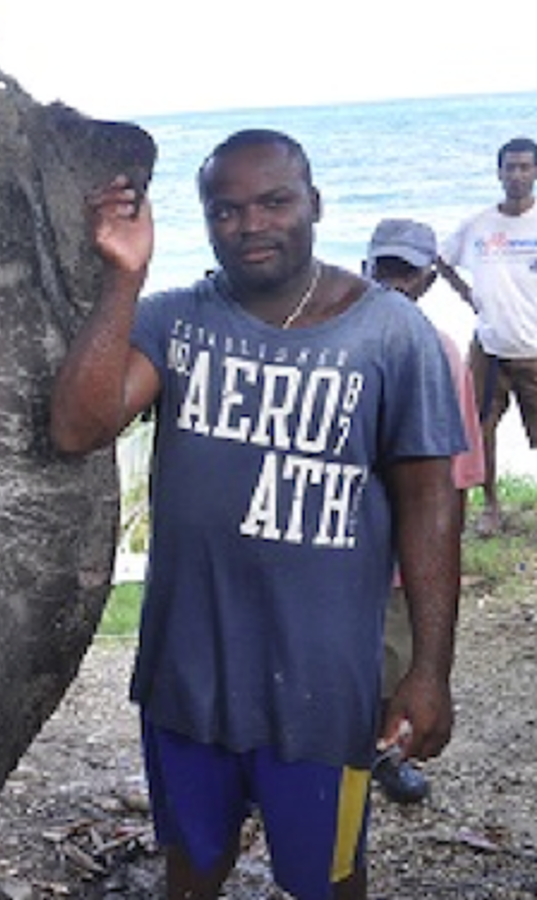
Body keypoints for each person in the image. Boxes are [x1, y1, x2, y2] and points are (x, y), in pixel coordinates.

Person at [50, 129, 463, 900]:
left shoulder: (389, 333)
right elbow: (78, 426)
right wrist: (123, 278)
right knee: (192, 869)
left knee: (329, 878)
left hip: (325, 690)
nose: (251, 224)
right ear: (207, 221)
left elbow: (430, 503)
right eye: (226, 210)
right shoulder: (175, 322)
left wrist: (428, 670)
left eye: (274, 201)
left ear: (315, 204)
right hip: (189, 679)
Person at [364, 218, 485, 804]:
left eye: (405, 271)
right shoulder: (338, 338)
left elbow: (455, 477)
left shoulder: (441, 352)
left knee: (397, 661)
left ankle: (384, 757)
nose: (393, 282)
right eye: (383, 267)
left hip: (398, 556)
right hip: (337, 549)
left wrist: (438, 565)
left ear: (430, 277)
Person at [437, 137, 537, 536]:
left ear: (535, 173)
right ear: (498, 173)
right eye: (509, 167)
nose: (516, 175)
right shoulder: (478, 225)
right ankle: (491, 506)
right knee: (480, 430)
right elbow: (441, 259)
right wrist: (467, 296)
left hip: (533, 348)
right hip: (489, 348)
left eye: (525, 167)